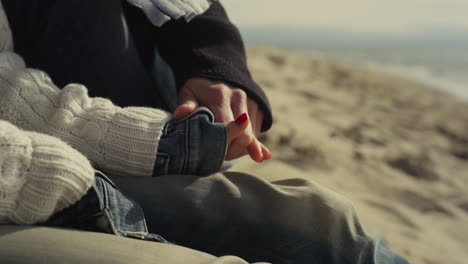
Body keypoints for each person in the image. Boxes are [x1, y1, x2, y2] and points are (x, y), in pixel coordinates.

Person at [0, 1, 411, 263]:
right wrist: (166, 146)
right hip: (44, 177)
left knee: (326, 220)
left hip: (60, 160)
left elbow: (194, 13)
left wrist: (214, 71)